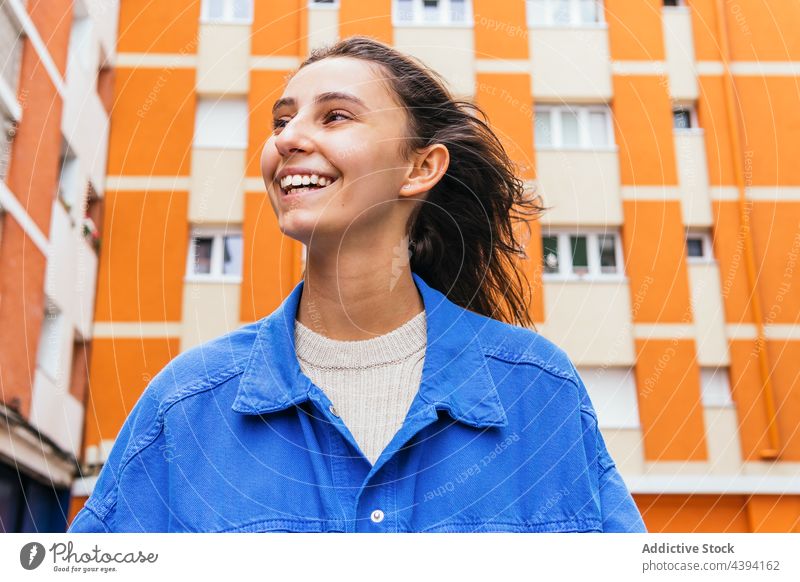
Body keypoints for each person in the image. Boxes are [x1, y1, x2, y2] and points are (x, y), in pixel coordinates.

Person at [69, 36, 646, 533]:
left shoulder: (538, 391)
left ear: (421, 168)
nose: (287, 139)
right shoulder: (188, 404)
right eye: (281, 120)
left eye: (334, 116)